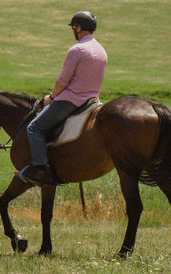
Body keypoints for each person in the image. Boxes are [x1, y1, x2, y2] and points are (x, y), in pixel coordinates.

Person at [21, 11, 108, 186]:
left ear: (78, 28)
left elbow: (63, 80)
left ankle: (40, 170)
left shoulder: (77, 50)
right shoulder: (101, 50)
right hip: (92, 101)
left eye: (74, 27)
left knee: (34, 128)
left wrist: (51, 97)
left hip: (71, 100)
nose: (73, 31)